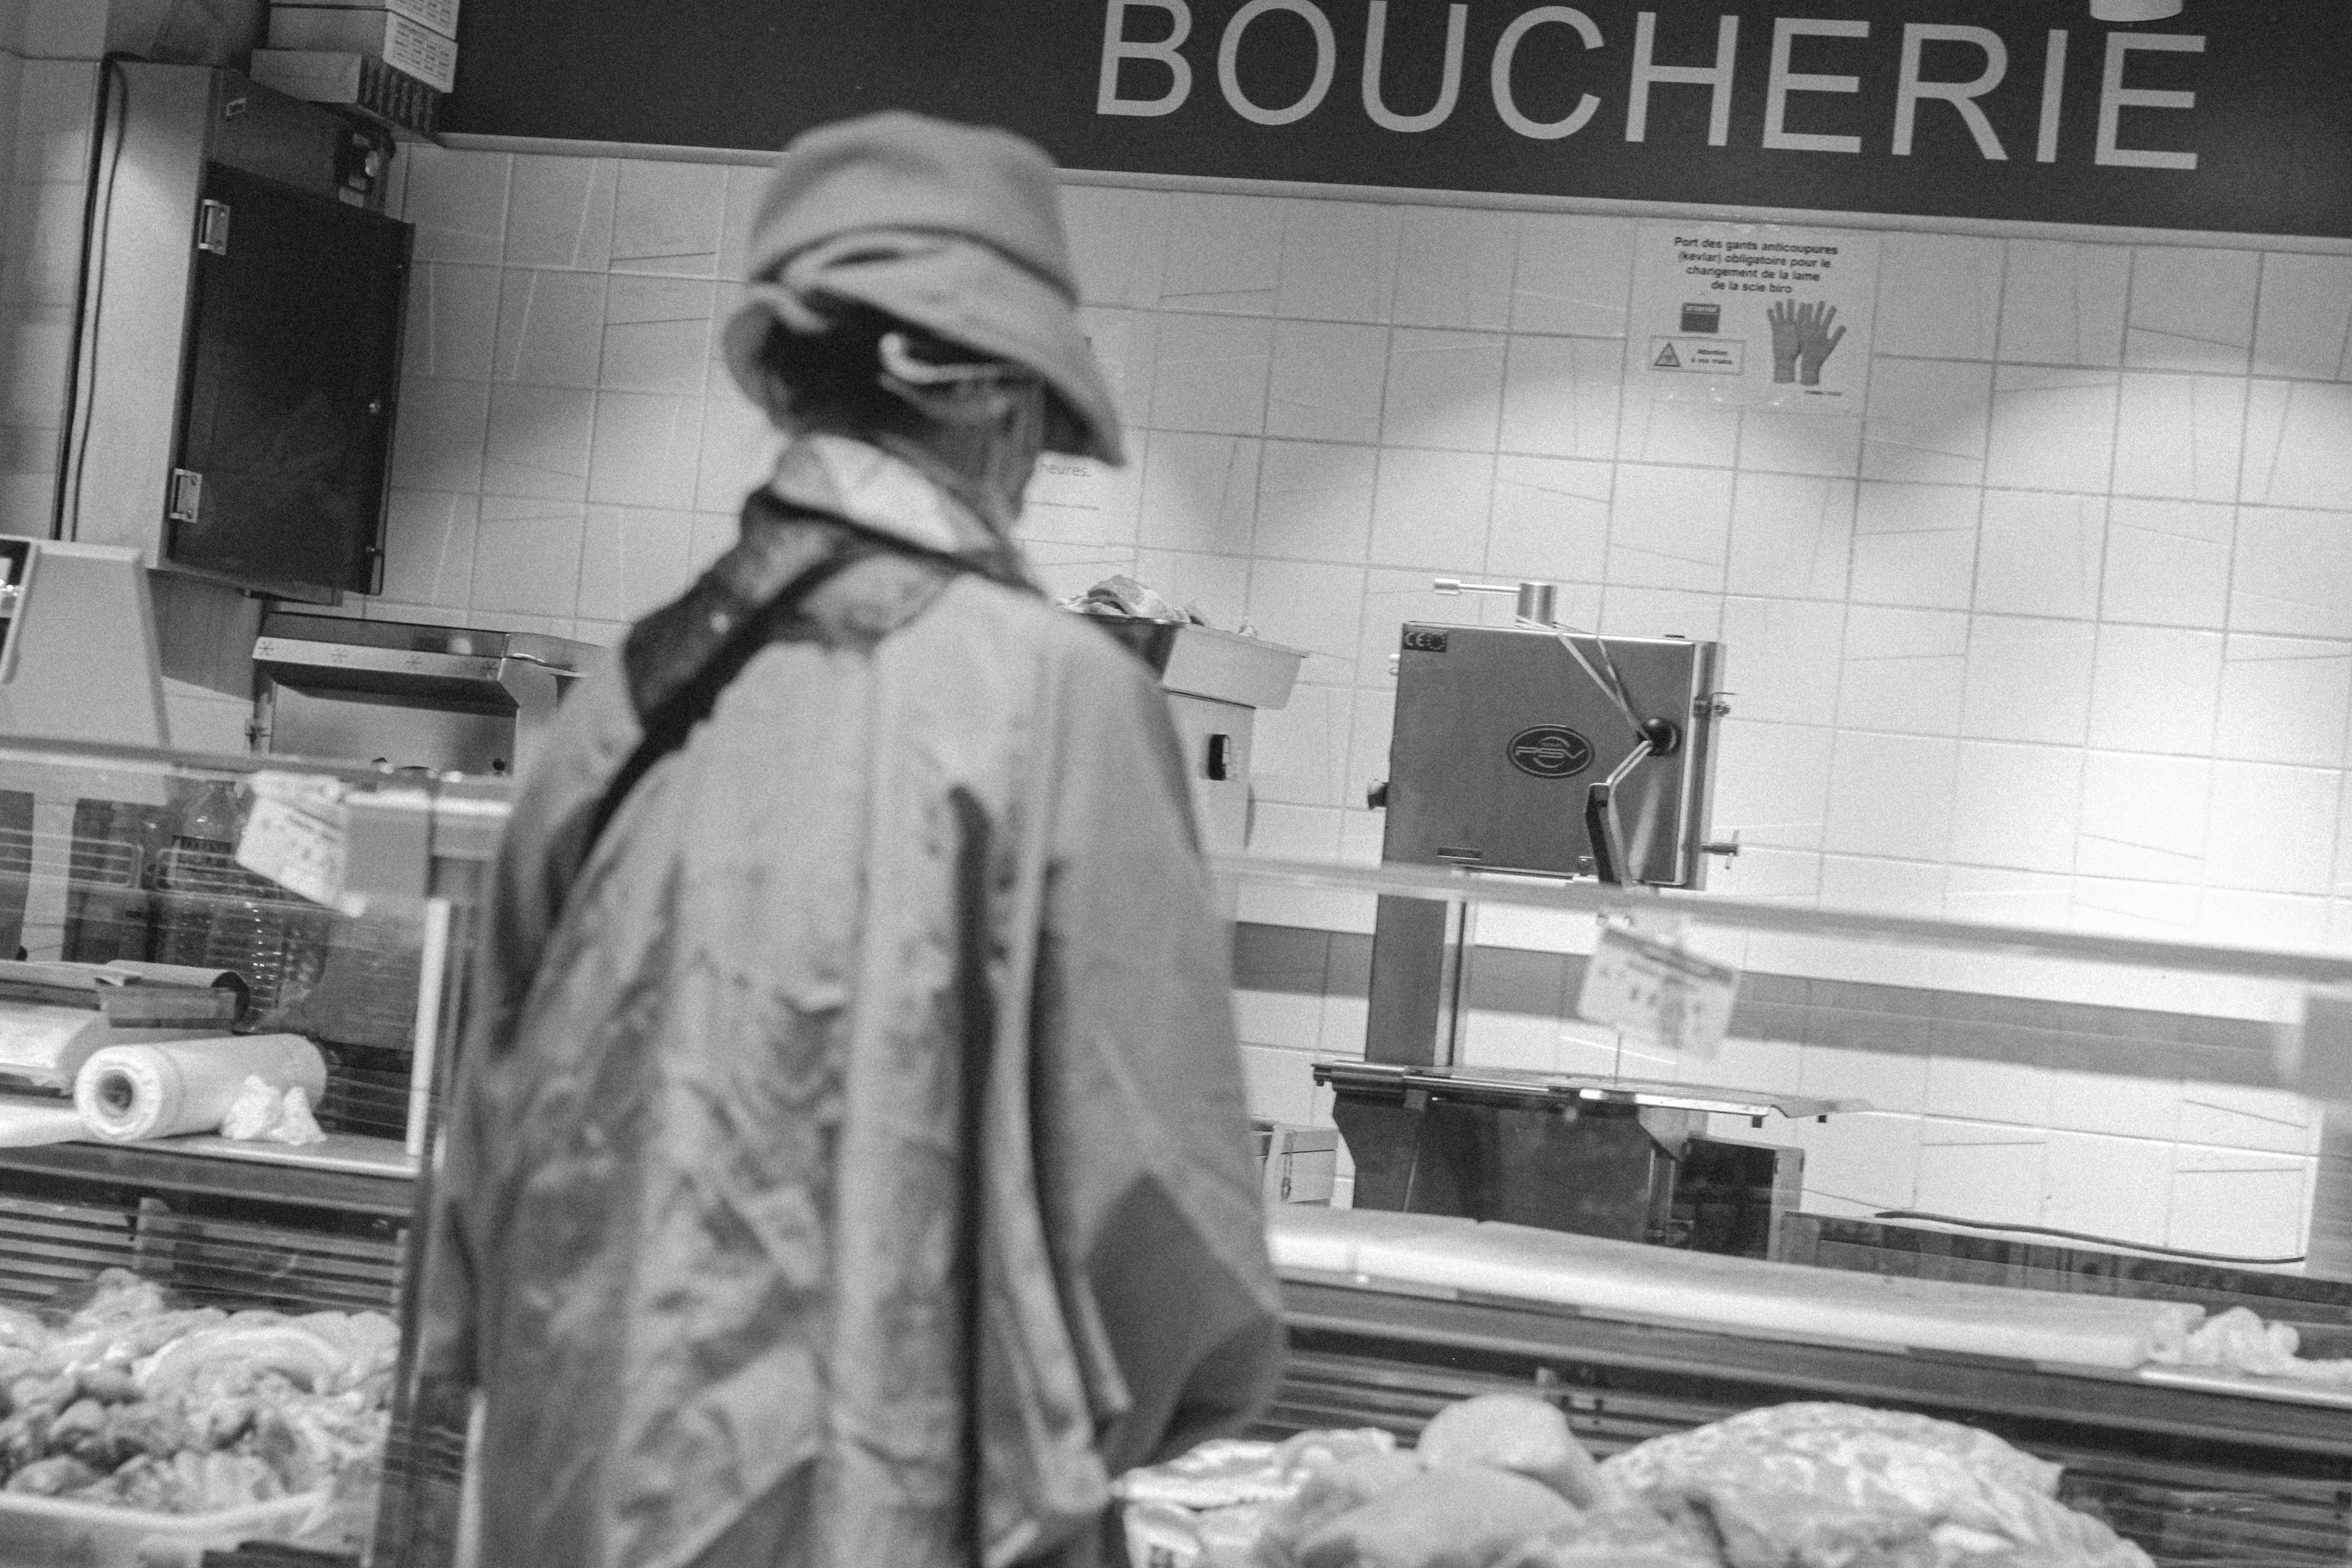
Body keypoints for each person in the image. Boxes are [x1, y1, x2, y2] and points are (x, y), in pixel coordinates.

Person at [415, 113, 1284, 1568]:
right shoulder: (1060, 697)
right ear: (994, 403)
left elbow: (477, 1203)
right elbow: (1163, 1243)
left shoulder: (625, 697)